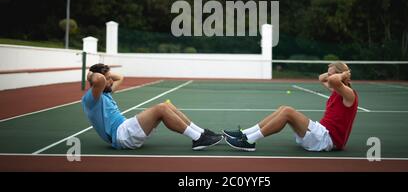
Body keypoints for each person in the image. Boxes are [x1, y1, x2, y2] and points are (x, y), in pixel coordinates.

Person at [81, 63, 223, 150]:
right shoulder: (92, 98)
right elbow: (98, 79)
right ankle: (198, 139)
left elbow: (121, 77)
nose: (111, 81)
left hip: (125, 130)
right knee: (161, 109)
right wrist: (91, 74)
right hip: (121, 135)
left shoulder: (105, 92)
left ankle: (202, 133)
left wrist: (106, 74)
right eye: (107, 79)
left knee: (167, 105)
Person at [223, 61, 358, 152]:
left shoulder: (349, 94)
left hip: (328, 140)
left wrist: (343, 74)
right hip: (321, 135)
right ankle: (245, 133)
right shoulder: (337, 90)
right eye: (328, 74)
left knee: (288, 112)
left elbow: (333, 80)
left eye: (331, 75)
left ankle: (250, 141)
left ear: (341, 76)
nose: (328, 78)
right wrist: (334, 72)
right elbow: (321, 78)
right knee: (284, 108)